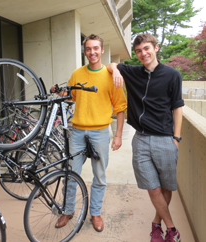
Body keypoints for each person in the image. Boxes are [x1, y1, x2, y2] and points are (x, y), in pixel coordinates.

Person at [107, 33, 183, 242]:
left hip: (165, 138)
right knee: (153, 188)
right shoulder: (133, 72)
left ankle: (156, 226)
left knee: (166, 187)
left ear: (156, 48)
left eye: (147, 49)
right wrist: (115, 71)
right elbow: (111, 64)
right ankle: (172, 229)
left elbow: (177, 107)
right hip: (140, 139)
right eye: (139, 51)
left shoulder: (172, 74)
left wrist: (176, 139)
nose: (143, 54)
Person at [51, 34, 127, 232]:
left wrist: (117, 135)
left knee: (99, 176)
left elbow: (120, 108)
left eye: (95, 48)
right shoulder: (77, 73)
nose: (92, 52)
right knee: (71, 173)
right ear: (85, 52)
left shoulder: (111, 76)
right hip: (77, 131)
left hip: (101, 132)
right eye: (88, 49)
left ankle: (95, 213)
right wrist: (58, 91)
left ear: (102, 50)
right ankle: (68, 211)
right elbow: (71, 96)